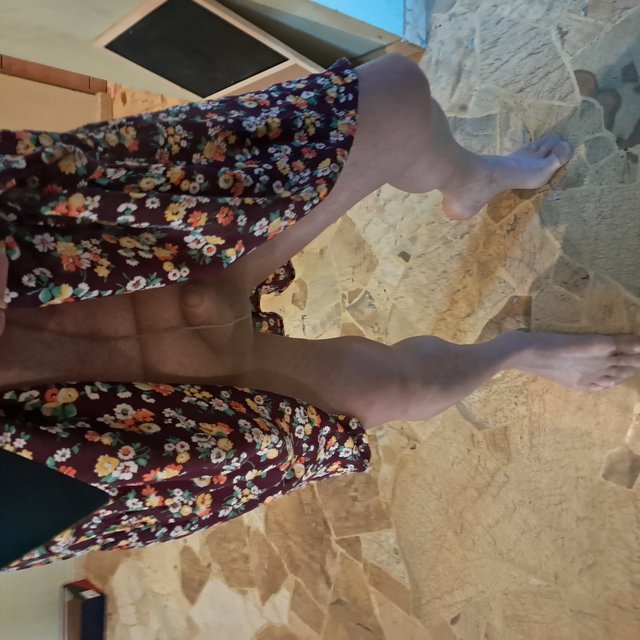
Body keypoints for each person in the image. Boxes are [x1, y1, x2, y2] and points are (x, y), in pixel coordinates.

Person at [1, 55, 638, 571]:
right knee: (394, 389)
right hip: (66, 447)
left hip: (93, 239)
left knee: (394, 99)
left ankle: (468, 177)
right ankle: (514, 353)